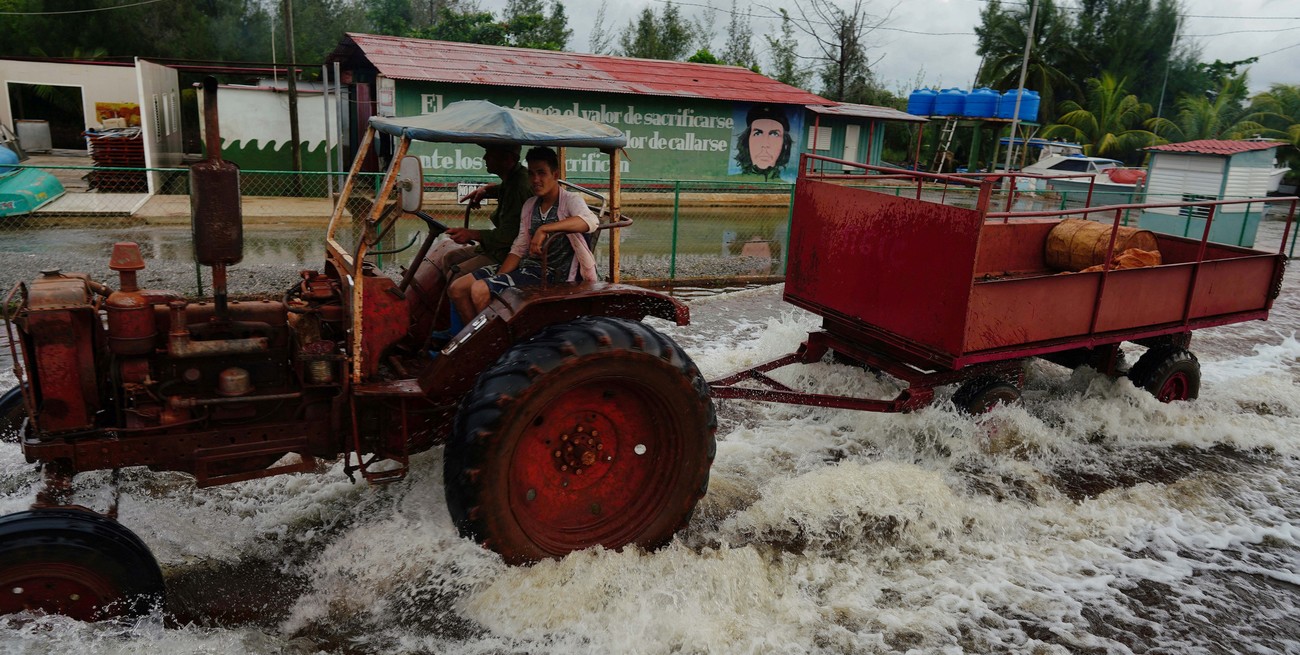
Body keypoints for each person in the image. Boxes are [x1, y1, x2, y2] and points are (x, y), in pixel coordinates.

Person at [448, 146, 597, 322]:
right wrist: (499, 277)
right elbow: (519, 248)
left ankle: (497, 342)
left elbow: (591, 221)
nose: (535, 180)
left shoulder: (570, 201)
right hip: (526, 268)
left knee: (479, 289)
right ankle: (470, 339)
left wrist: (545, 229)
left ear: (555, 175)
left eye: (541, 173)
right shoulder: (530, 205)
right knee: (458, 288)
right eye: (531, 174)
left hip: (553, 276)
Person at [426, 143, 532, 289]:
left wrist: (473, 234)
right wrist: (486, 190)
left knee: (457, 275)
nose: (484, 158)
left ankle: (470, 308)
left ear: (507, 159)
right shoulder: (513, 179)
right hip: (500, 248)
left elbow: (510, 236)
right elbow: (504, 188)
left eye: (490, 153)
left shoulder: (519, 186)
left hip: (509, 253)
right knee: (450, 258)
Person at [734, 105, 794, 181]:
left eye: (774, 134)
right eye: (758, 133)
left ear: (784, 144)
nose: (765, 144)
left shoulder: (786, 186)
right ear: (747, 141)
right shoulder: (730, 182)